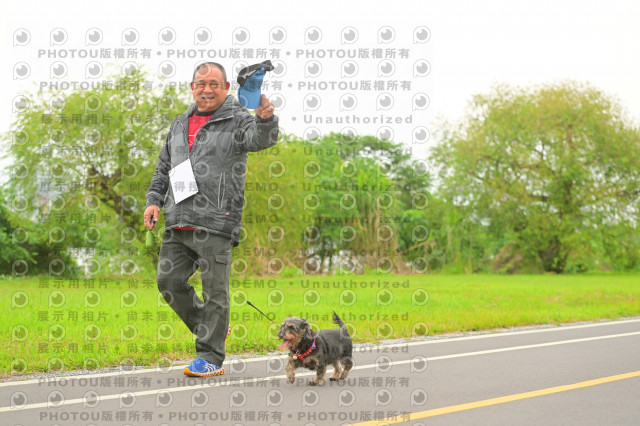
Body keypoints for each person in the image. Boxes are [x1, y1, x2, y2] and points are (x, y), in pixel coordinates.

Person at [143, 62, 278, 377]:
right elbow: (164, 165)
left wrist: (265, 118)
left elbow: (261, 139)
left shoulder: (237, 119)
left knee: (215, 291)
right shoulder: (180, 123)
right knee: (168, 282)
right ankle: (213, 327)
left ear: (226, 87)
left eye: (214, 84)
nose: (207, 89)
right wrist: (153, 200)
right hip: (178, 217)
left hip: (217, 219)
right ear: (192, 87)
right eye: (201, 84)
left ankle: (210, 357)